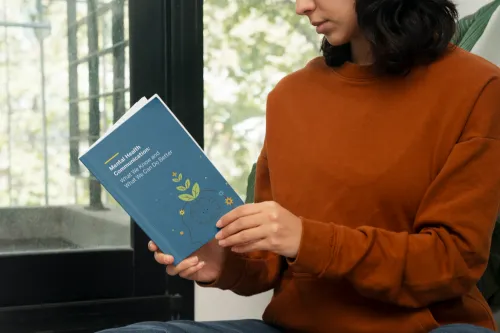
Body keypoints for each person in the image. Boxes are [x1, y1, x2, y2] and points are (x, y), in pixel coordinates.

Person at [98, 0, 500, 332]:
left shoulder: (475, 87)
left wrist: (307, 239)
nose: (301, 6)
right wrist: (222, 262)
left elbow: (453, 261)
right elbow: (271, 263)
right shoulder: (290, 96)